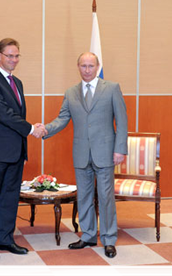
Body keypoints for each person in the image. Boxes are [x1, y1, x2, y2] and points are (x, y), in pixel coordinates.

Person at [43, 52, 128, 258]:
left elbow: (122, 119)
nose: (87, 70)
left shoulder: (112, 88)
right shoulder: (71, 92)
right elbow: (62, 118)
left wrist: (120, 149)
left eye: (91, 66)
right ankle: (88, 235)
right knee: (84, 196)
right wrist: (45, 129)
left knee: (106, 197)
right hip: (81, 153)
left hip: (106, 152)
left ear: (98, 67)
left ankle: (108, 239)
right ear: (78, 67)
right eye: (83, 66)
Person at [0, 38, 46, 260]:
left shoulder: (17, 82)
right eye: (9, 55)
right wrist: (31, 129)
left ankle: (6, 239)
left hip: (15, 151)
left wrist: (24, 146)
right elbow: (4, 115)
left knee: (9, 197)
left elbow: (18, 116)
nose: (13, 60)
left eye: (17, 56)